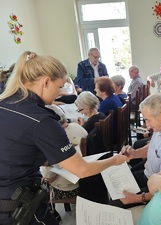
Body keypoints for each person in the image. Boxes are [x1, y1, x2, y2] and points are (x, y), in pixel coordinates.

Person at [0, 51, 128, 225]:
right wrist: (114, 160)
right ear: (45, 82)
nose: (59, 93)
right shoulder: (42, 119)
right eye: (59, 86)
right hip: (18, 206)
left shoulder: (6, 104)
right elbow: (82, 170)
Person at [113, 93, 161, 208]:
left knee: (114, 204)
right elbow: (154, 147)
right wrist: (134, 153)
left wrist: (139, 198)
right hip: (148, 172)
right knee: (115, 185)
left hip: (154, 187)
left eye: (148, 120)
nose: (147, 125)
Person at [41, 105, 88, 221]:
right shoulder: (77, 127)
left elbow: (50, 178)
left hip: (68, 188)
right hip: (85, 181)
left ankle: (51, 212)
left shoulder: (53, 140)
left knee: (39, 182)